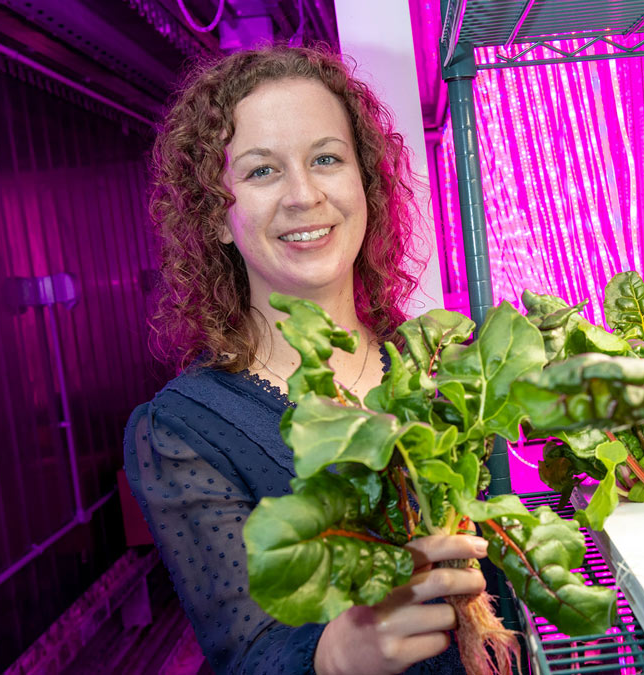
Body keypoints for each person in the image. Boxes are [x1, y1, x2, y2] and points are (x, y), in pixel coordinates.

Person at [124, 45, 485, 675]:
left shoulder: (444, 360)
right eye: (262, 172)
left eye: (326, 159)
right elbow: (246, 649)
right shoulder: (182, 430)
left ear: (364, 183)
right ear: (215, 214)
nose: (304, 194)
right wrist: (338, 653)